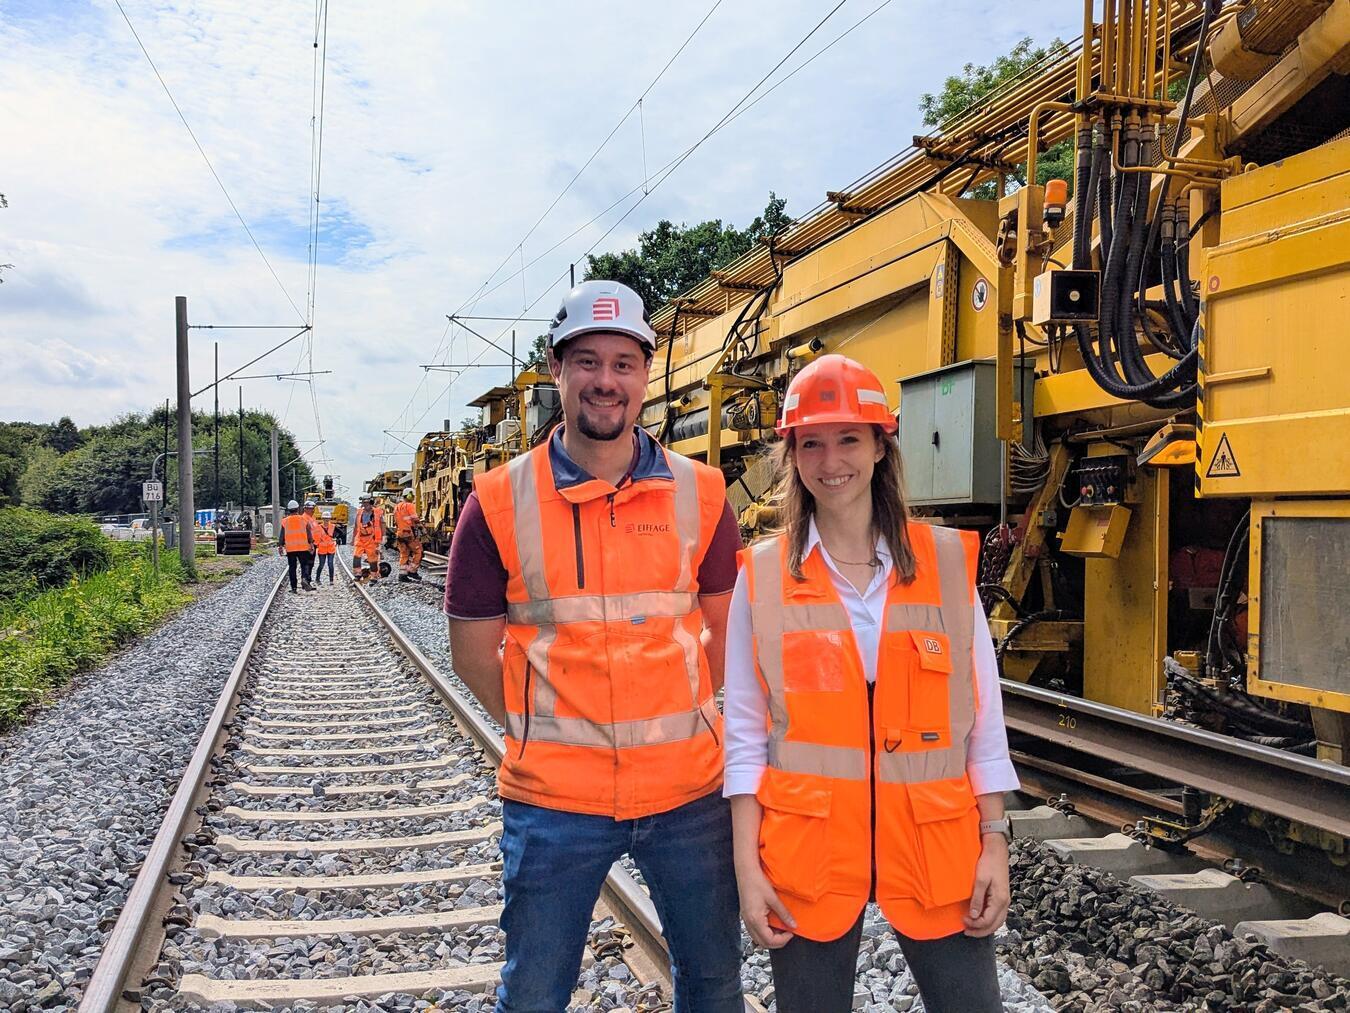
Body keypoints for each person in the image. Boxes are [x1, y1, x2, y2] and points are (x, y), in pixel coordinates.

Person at [446, 280, 745, 1013]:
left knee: (713, 987)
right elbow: (473, 655)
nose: (605, 380)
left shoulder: (703, 496)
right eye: (587, 361)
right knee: (535, 993)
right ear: (557, 369)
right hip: (555, 801)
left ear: (645, 373)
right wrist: (547, 729)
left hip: (689, 794)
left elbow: (726, 637)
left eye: (622, 361)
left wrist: (674, 716)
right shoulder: (495, 502)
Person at [724, 354, 1019, 1013]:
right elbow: (745, 737)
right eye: (812, 442)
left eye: (849, 438)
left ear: (882, 445)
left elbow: (983, 720)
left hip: (936, 847)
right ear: (792, 453)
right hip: (808, 855)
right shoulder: (764, 576)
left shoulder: (944, 564)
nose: (832, 461)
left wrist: (995, 840)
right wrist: (748, 869)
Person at [277, 499, 316, 593]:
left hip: (290, 549)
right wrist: (311, 543)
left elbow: (282, 535)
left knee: (292, 567)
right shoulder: (304, 519)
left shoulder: (285, 521)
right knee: (305, 565)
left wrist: (280, 546)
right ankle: (304, 578)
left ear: (289, 510)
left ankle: (294, 588)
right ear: (298, 509)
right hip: (303, 547)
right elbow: (308, 533)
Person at [393, 489, 424, 581]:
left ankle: (402, 575)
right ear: (410, 496)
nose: (413, 498)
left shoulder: (397, 506)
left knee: (404, 553)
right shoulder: (410, 505)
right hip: (408, 533)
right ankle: (412, 571)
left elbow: (396, 521)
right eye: (413, 496)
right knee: (418, 552)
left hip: (400, 533)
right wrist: (422, 529)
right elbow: (415, 519)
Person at [351, 494, 383, 583]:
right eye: (364, 503)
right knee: (356, 556)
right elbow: (356, 526)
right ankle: (357, 575)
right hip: (360, 538)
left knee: (372, 559)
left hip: (371, 538)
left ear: (371, 503)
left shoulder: (377, 512)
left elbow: (382, 524)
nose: (365, 505)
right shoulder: (359, 512)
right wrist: (353, 538)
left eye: (367, 503)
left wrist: (383, 537)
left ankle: (374, 577)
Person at [313, 510, 338, 585]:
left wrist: (336, 538)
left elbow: (340, 533)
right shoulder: (318, 527)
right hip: (322, 549)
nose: (326, 520)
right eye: (325, 518)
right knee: (321, 564)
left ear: (329, 519)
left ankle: (331, 580)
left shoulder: (333, 526)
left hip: (331, 548)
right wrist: (314, 546)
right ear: (322, 519)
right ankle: (317, 579)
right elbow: (316, 538)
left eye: (327, 518)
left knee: (330, 564)